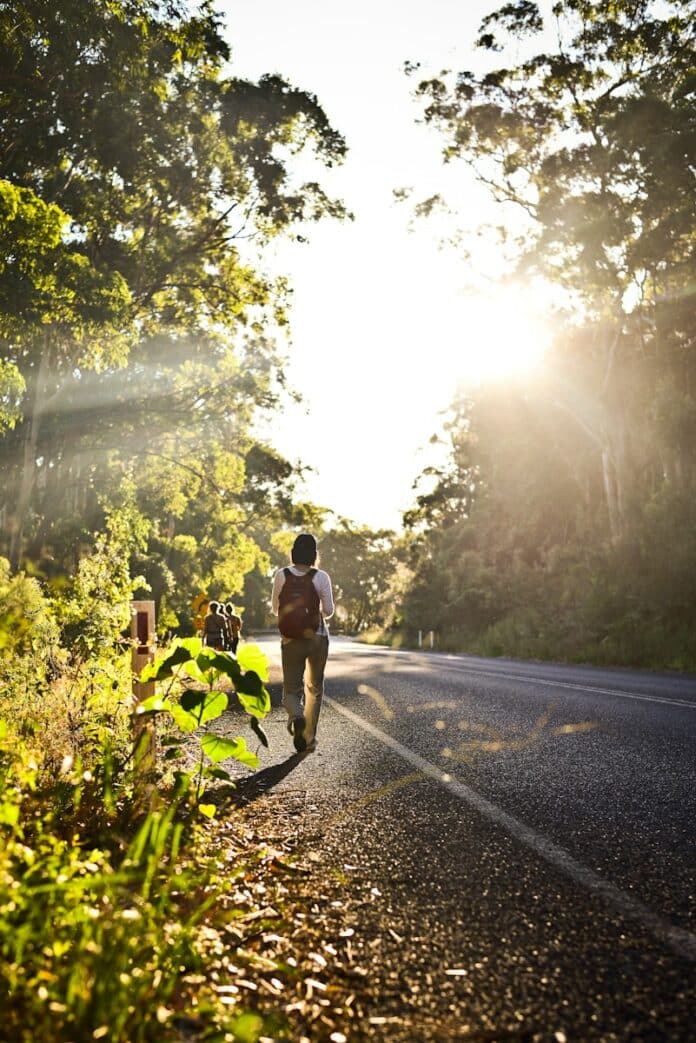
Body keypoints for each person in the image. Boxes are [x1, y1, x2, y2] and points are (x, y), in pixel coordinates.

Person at [271, 533, 334, 755]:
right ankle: (308, 738)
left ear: (293, 552)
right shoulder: (321, 577)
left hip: (290, 639)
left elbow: (274, 608)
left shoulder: (282, 575)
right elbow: (328, 611)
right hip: (317, 638)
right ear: (315, 554)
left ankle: (296, 717)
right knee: (314, 688)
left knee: (291, 689)